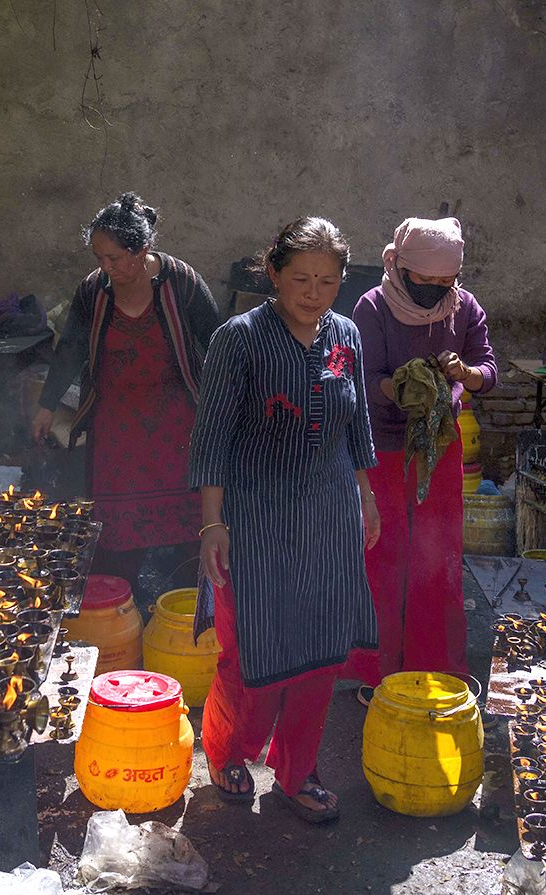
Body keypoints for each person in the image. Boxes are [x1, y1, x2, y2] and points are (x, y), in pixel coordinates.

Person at [188, 216, 380, 824]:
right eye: (300, 278)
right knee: (250, 652)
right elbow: (211, 438)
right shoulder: (239, 339)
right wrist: (212, 525)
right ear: (272, 273)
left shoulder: (345, 334)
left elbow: (356, 427)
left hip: (328, 517)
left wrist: (366, 497)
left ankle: (298, 770)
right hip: (256, 518)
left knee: (322, 654)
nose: (313, 292)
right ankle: (227, 752)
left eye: (327, 280)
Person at [34, 193, 221, 593]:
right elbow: (70, 347)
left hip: (176, 425)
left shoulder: (181, 282)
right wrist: (46, 406)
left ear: (143, 251)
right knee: (115, 525)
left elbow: (218, 343)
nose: (106, 267)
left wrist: (228, 408)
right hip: (116, 426)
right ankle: (118, 598)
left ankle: (189, 599)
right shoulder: (94, 291)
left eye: (115, 258)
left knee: (187, 522)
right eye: (99, 257)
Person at [345, 217, 498, 704]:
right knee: (383, 556)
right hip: (384, 448)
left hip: (439, 448)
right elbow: (356, 377)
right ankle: (379, 671)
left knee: (437, 557)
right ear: (399, 266)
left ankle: (437, 666)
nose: (434, 291)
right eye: (423, 282)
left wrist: (464, 373)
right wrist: (397, 388)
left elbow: (488, 371)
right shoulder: (372, 308)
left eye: (443, 283)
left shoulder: (464, 308)